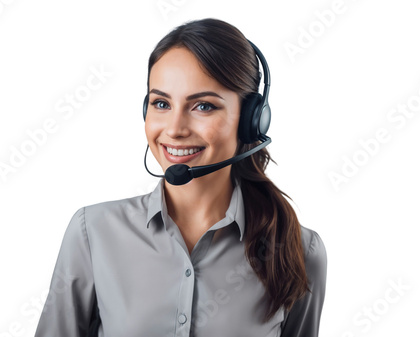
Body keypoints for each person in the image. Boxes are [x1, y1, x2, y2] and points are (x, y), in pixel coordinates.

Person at [34, 18, 327, 337]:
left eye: (203, 106)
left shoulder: (300, 250)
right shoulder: (93, 232)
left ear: (251, 121)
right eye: (161, 103)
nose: (174, 129)